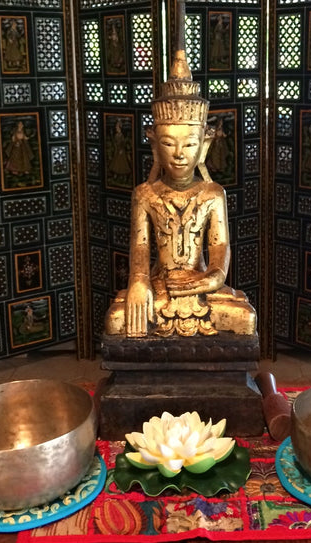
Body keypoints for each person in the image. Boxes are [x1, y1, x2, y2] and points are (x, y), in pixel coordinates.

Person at [105, 46, 256, 338]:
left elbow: (220, 248)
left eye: (188, 144)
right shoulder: (145, 194)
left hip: (202, 287)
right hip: (159, 286)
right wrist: (139, 281)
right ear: (154, 145)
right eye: (168, 143)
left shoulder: (213, 194)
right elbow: (139, 248)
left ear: (205, 145)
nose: (178, 154)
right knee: (116, 319)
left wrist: (213, 279)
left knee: (245, 318)